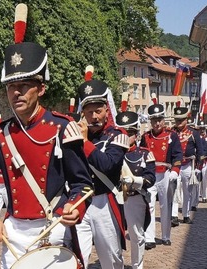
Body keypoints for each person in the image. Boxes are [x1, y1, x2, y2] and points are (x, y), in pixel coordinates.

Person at [0, 4, 93, 268]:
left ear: (41, 89)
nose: (16, 93)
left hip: (54, 228)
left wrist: (75, 207)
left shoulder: (64, 128)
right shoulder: (0, 134)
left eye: (24, 85)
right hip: (13, 234)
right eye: (11, 86)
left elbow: (83, 186)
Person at [74, 68, 129, 269]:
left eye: (98, 111)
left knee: (111, 259)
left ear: (107, 110)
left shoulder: (117, 135)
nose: (94, 116)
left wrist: (85, 142)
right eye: (89, 112)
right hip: (80, 201)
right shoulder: (76, 134)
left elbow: (106, 165)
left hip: (105, 200)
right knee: (76, 258)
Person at [140, 102, 183, 248]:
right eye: (154, 120)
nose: (157, 123)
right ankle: (149, 237)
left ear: (163, 120)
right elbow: (141, 155)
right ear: (151, 121)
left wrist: (175, 171)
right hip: (151, 174)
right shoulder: (146, 137)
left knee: (166, 206)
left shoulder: (172, 136)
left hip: (165, 174)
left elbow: (178, 155)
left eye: (159, 120)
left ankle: (165, 236)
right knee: (149, 205)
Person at [117, 111, 156, 269]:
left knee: (136, 235)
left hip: (134, 197)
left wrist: (135, 180)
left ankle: (136, 266)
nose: (127, 138)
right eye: (123, 133)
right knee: (112, 234)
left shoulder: (144, 154)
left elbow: (150, 178)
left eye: (130, 134)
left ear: (136, 135)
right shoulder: (112, 153)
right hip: (114, 197)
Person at [171, 108, 205, 221]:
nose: (179, 122)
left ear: (186, 119)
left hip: (188, 165)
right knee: (174, 190)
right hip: (175, 165)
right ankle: (174, 215)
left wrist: (198, 167)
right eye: (177, 120)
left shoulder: (193, 133)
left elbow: (200, 151)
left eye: (181, 120)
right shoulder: (172, 132)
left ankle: (186, 214)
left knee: (187, 191)